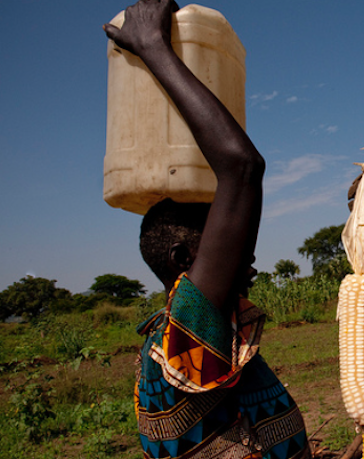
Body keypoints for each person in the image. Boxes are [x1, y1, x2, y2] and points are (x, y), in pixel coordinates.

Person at [103, 1, 311, 458]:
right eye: (227, 237)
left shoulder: (193, 335)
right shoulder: (187, 329)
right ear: (182, 260)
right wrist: (154, 48)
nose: (248, 253)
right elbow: (241, 166)